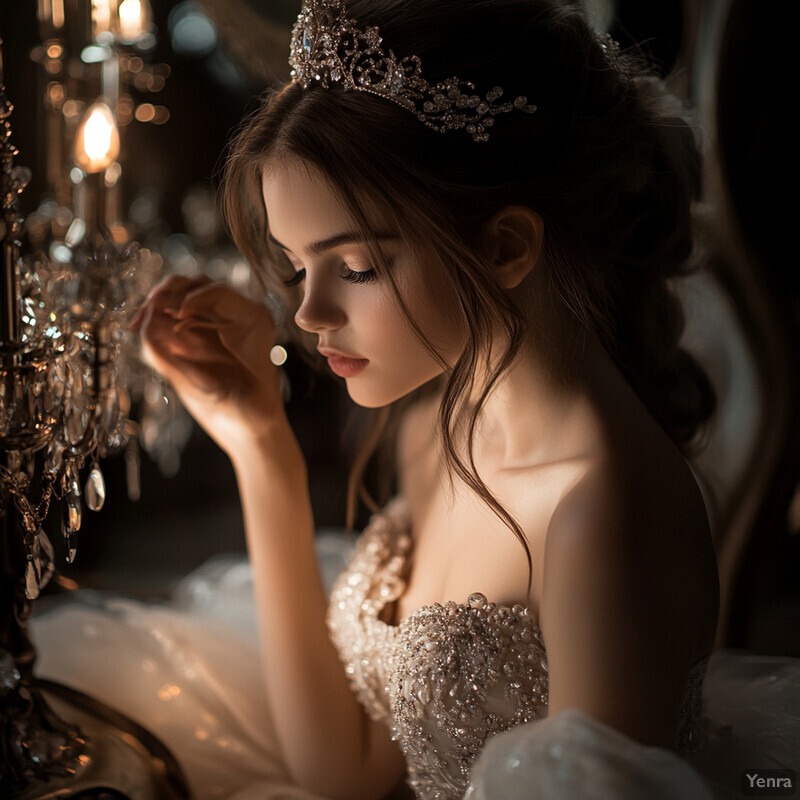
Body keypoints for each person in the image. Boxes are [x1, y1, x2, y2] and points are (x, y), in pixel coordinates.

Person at [30, 0, 799, 798]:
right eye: (298, 266)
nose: (307, 313)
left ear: (505, 247)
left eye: (355, 267)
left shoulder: (605, 516)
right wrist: (262, 446)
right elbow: (347, 769)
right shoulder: (438, 421)